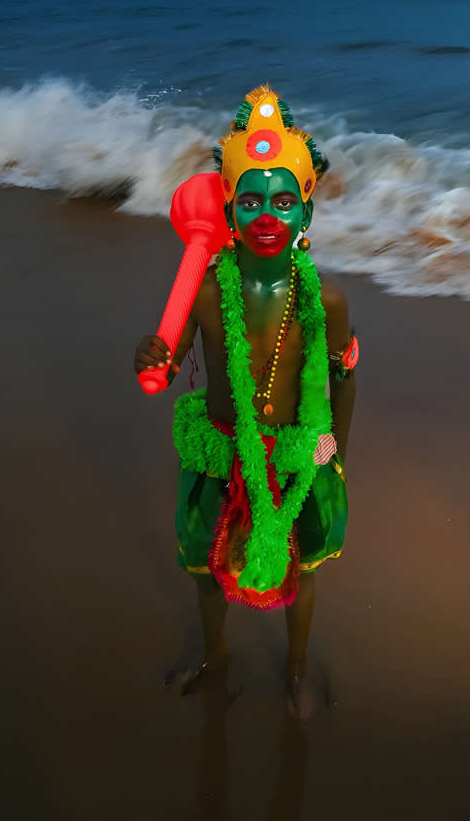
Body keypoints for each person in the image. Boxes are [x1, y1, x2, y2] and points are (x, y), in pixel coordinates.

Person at [134, 85, 357, 716]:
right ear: (229, 210)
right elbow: (170, 357)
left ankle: (294, 667)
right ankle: (214, 656)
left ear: (306, 215)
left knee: (302, 566)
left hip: (296, 452)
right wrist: (152, 355)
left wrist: (335, 453)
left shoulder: (327, 300)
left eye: (284, 201)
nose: (267, 215)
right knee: (206, 567)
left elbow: (343, 376)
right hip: (220, 450)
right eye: (252, 200)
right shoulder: (204, 290)